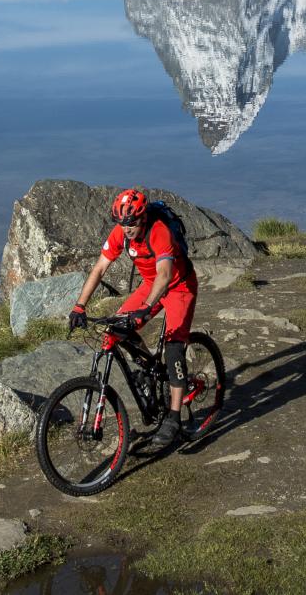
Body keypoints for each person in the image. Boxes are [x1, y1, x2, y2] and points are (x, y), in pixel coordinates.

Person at [69, 188, 199, 448]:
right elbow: (100, 268)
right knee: (115, 329)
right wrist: (79, 306)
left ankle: (174, 417)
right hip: (150, 285)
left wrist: (146, 307)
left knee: (174, 349)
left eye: (131, 222)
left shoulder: (158, 231)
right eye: (121, 223)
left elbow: (165, 275)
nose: (126, 228)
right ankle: (149, 368)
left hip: (179, 287)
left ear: (143, 217)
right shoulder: (121, 232)